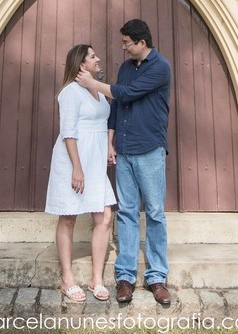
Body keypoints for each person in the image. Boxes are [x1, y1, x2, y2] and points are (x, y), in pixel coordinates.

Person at [76, 19, 172, 307]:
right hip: (126, 150)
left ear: (142, 43)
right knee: (127, 212)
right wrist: (111, 142)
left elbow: (127, 93)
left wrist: (93, 84)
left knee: (155, 212)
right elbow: (117, 106)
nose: (123, 47)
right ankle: (125, 277)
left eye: (127, 42)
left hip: (150, 149)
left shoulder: (160, 67)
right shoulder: (125, 67)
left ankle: (156, 277)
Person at [45, 44, 116, 302]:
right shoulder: (70, 93)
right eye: (93, 56)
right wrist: (76, 167)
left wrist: (108, 145)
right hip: (73, 160)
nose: (98, 59)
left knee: (105, 217)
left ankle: (97, 279)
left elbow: (105, 122)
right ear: (81, 64)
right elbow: (68, 131)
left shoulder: (98, 91)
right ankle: (67, 279)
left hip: (96, 162)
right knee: (68, 217)